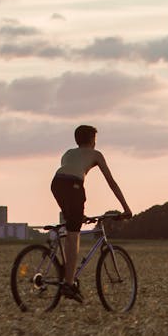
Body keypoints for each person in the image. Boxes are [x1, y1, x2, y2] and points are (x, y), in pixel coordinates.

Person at [51, 125, 132, 302]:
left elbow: (67, 176)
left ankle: (66, 273)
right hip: (73, 184)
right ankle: (69, 284)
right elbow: (111, 182)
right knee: (74, 234)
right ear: (92, 140)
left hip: (56, 183)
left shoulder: (67, 153)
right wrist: (126, 208)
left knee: (73, 224)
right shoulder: (96, 154)